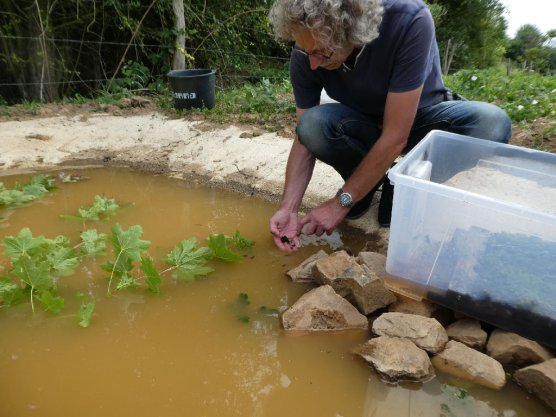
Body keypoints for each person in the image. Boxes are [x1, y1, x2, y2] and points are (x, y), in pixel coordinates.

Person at [268, 0, 512, 251]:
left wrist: (338, 204)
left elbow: (396, 136)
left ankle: (403, 184)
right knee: (311, 126)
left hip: (419, 116)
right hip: (361, 122)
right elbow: (302, 138)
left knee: (492, 124)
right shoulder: (309, 47)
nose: (313, 64)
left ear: (352, 31)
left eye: (321, 52)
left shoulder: (409, 19)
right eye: (305, 50)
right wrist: (288, 208)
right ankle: (362, 185)